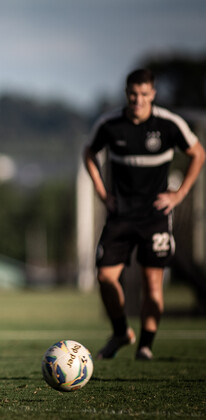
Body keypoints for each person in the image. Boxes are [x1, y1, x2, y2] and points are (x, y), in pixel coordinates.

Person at [83, 69, 205, 361]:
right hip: (120, 215)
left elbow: (198, 154)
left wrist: (179, 194)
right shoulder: (109, 124)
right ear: (126, 93)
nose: (137, 100)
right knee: (104, 277)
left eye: (144, 94)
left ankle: (146, 346)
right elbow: (89, 153)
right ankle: (121, 331)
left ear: (153, 94)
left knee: (153, 284)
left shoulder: (169, 124)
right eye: (133, 94)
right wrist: (103, 193)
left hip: (155, 216)